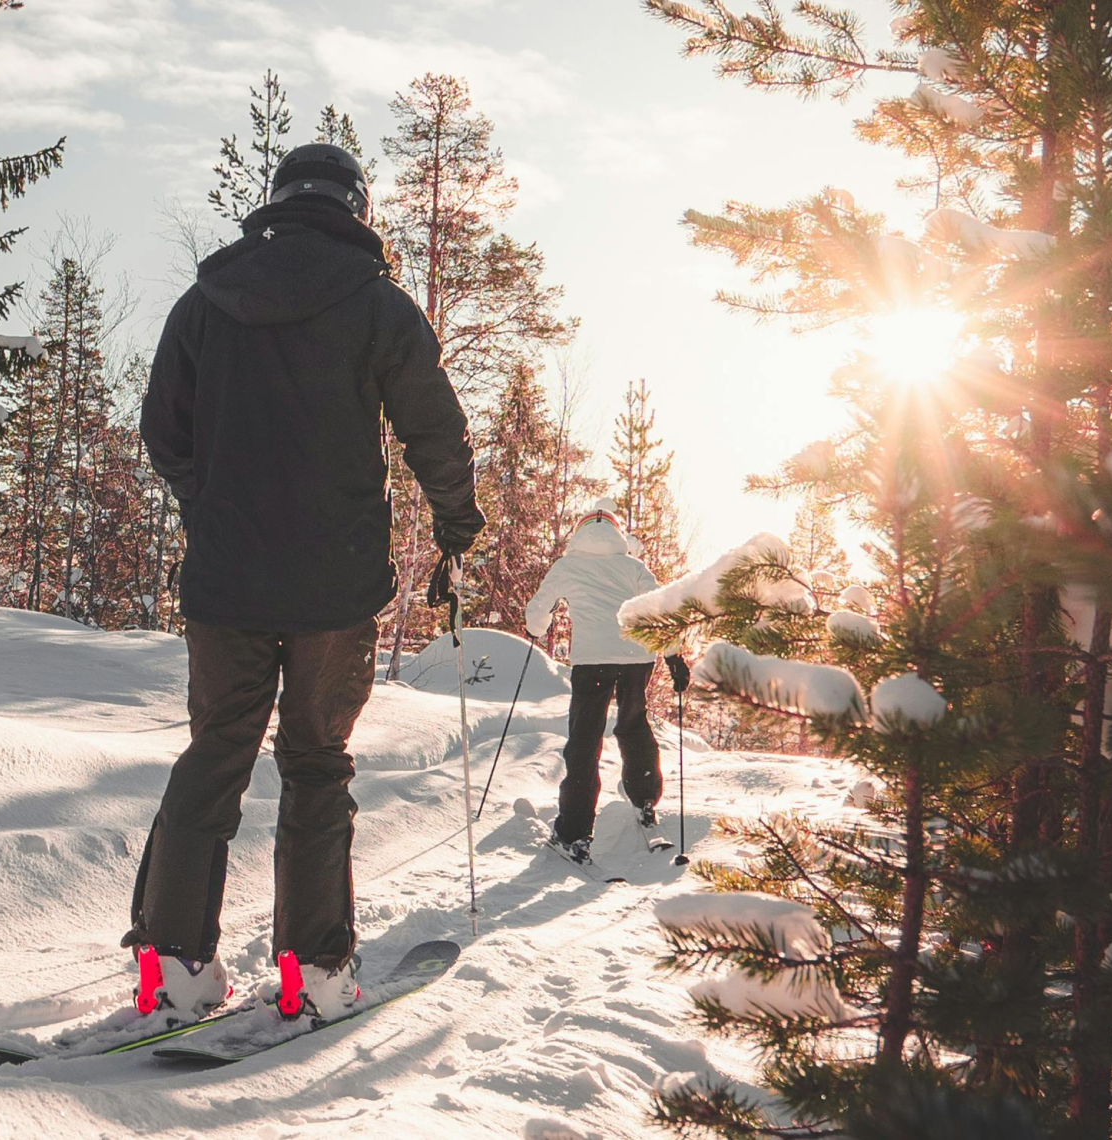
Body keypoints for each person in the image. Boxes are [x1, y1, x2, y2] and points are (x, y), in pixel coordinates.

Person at [126, 142, 484, 1026]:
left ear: (277, 203)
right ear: (356, 208)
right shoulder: (376, 305)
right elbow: (433, 426)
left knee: (215, 755)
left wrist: (207, 498)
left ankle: (169, 966)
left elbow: (162, 430)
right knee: (316, 765)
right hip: (333, 589)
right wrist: (455, 526)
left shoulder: (205, 302)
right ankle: (314, 972)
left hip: (226, 583)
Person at [524, 498, 690, 865]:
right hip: (636, 660)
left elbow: (537, 614)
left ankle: (574, 833)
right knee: (633, 725)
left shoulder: (567, 566)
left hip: (592, 663)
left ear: (580, 531)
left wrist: (539, 626)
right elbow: (662, 608)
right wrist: (674, 655)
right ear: (617, 533)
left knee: (585, 741)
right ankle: (645, 802)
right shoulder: (632, 566)